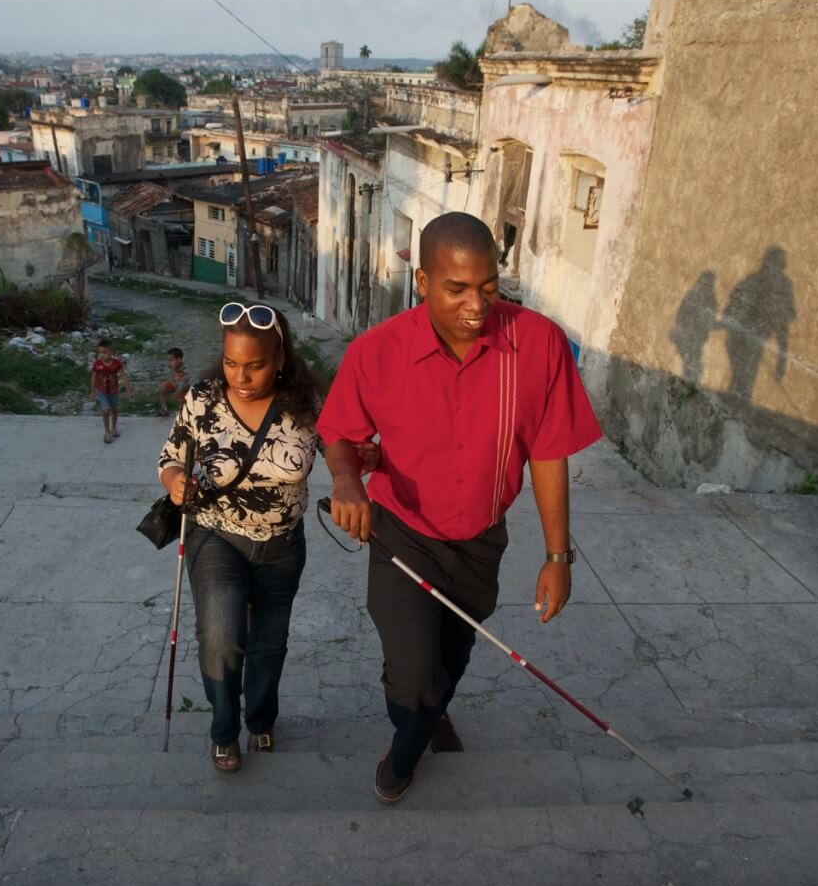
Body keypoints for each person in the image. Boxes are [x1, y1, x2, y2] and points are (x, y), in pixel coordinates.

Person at [318, 212, 602, 804]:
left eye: (489, 287)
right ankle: (405, 750)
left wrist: (557, 556)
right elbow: (339, 433)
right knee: (416, 678)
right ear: (422, 281)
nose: (477, 305)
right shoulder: (378, 352)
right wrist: (347, 482)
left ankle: (426, 716)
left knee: (454, 652)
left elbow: (549, 453)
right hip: (402, 538)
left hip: (482, 541)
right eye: (457, 289)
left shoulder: (540, 343)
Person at [158, 304, 365, 774]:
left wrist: (346, 479)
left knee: (269, 643)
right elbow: (171, 456)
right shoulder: (203, 398)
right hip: (217, 534)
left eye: (254, 365)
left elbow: (337, 445)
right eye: (232, 363)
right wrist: (174, 481)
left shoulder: (307, 403)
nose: (241, 376)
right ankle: (224, 730)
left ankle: (261, 717)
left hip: (282, 545)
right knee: (221, 637)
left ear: (280, 359)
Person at [90, 339, 132, 444]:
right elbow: (94, 378)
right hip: (102, 391)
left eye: (105, 352)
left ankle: (113, 427)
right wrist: (93, 391)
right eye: (100, 352)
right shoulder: (98, 364)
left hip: (114, 391)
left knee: (114, 410)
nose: (102, 355)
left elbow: (123, 375)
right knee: (105, 411)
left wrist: (128, 389)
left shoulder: (117, 363)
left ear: (111, 352)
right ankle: (107, 432)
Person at [158, 346, 190, 416]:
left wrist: (177, 392)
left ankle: (184, 411)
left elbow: (185, 384)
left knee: (179, 397)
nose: (169, 363)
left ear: (179, 359)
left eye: (171, 360)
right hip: (175, 386)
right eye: (168, 360)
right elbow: (172, 377)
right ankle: (164, 409)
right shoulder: (174, 367)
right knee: (162, 388)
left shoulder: (186, 369)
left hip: (183, 390)